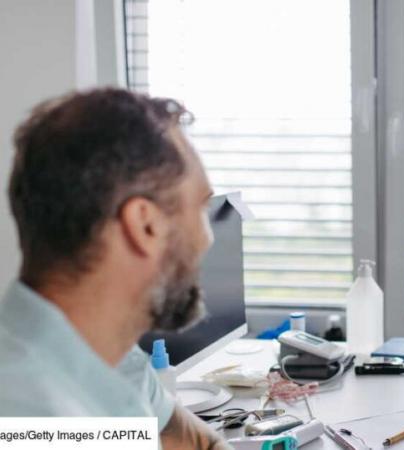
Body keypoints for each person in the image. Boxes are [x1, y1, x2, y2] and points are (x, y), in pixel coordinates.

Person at [0, 88, 234, 449]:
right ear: (144, 226)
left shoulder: (106, 354)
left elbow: (185, 438)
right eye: (200, 208)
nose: (208, 238)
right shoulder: (28, 412)